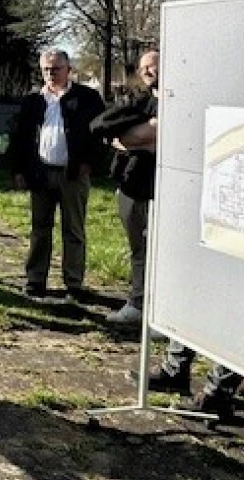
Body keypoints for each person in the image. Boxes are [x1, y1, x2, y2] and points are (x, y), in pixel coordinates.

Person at [8, 48, 105, 300]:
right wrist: (18, 169)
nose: (51, 73)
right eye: (46, 69)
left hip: (73, 173)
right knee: (40, 229)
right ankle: (35, 279)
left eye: (56, 68)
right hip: (40, 172)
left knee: (73, 229)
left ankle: (74, 283)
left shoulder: (87, 98)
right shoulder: (32, 101)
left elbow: (101, 134)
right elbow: (19, 138)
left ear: (68, 69)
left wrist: (90, 163)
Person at [91, 50, 159, 324]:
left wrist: (138, 137)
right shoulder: (140, 102)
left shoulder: (175, 103)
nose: (148, 71)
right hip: (133, 185)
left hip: (161, 187)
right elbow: (99, 126)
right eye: (144, 68)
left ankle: (155, 310)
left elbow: (153, 135)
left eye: (153, 66)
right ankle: (138, 303)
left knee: (158, 251)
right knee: (139, 248)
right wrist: (134, 137)